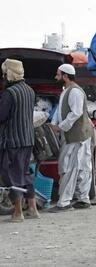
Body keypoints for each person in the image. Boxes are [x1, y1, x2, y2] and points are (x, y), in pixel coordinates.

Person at [49, 64, 93, 212]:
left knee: (70, 167)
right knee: (78, 167)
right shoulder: (66, 91)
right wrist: (54, 124)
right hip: (72, 135)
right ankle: (83, 199)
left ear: (66, 76)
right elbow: (60, 111)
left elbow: (76, 113)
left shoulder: (75, 92)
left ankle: (65, 202)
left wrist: (60, 126)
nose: (56, 77)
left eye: (58, 74)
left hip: (76, 136)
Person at [0, 59, 39, 222]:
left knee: (10, 175)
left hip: (12, 141)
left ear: (8, 73)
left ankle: (17, 212)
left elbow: (2, 116)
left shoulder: (10, 93)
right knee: (24, 173)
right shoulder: (29, 90)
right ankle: (33, 208)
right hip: (27, 139)